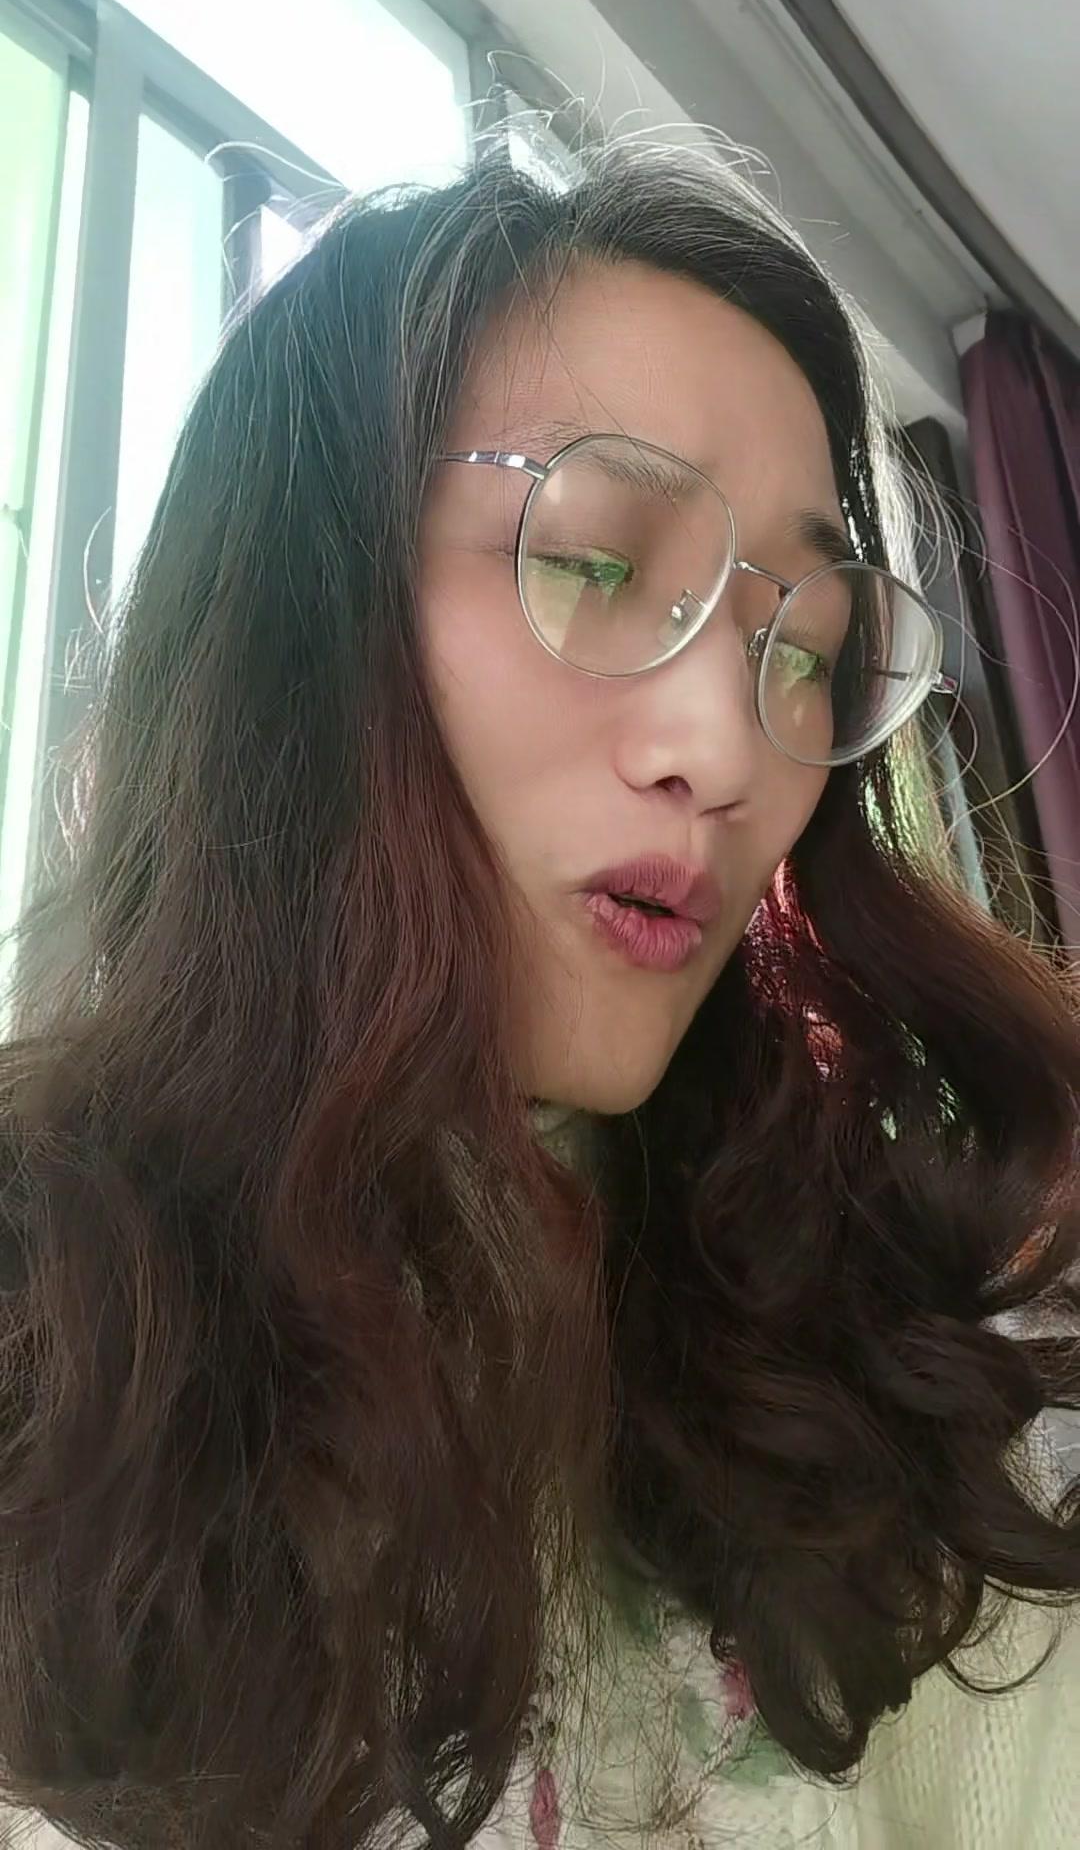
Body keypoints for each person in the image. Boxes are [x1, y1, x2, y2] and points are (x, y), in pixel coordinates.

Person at [1, 137, 1079, 1850]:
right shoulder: (48, 1338)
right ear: (303, 607)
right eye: (591, 561)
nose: (730, 749)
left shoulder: (879, 1379)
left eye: (800, 649)